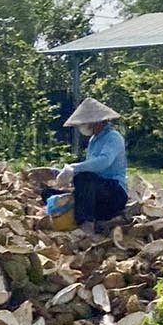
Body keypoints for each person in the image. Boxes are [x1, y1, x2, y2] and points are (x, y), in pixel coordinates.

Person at [51, 98, 129, 234]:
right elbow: (90, 168)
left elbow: (104, 162)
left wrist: (76, 168)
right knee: (51, 194)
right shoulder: (94, 140)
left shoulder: (113, 137)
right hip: (97, 194)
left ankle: (86, 225)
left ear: (97, 121)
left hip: (114, 194)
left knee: (84, 177)